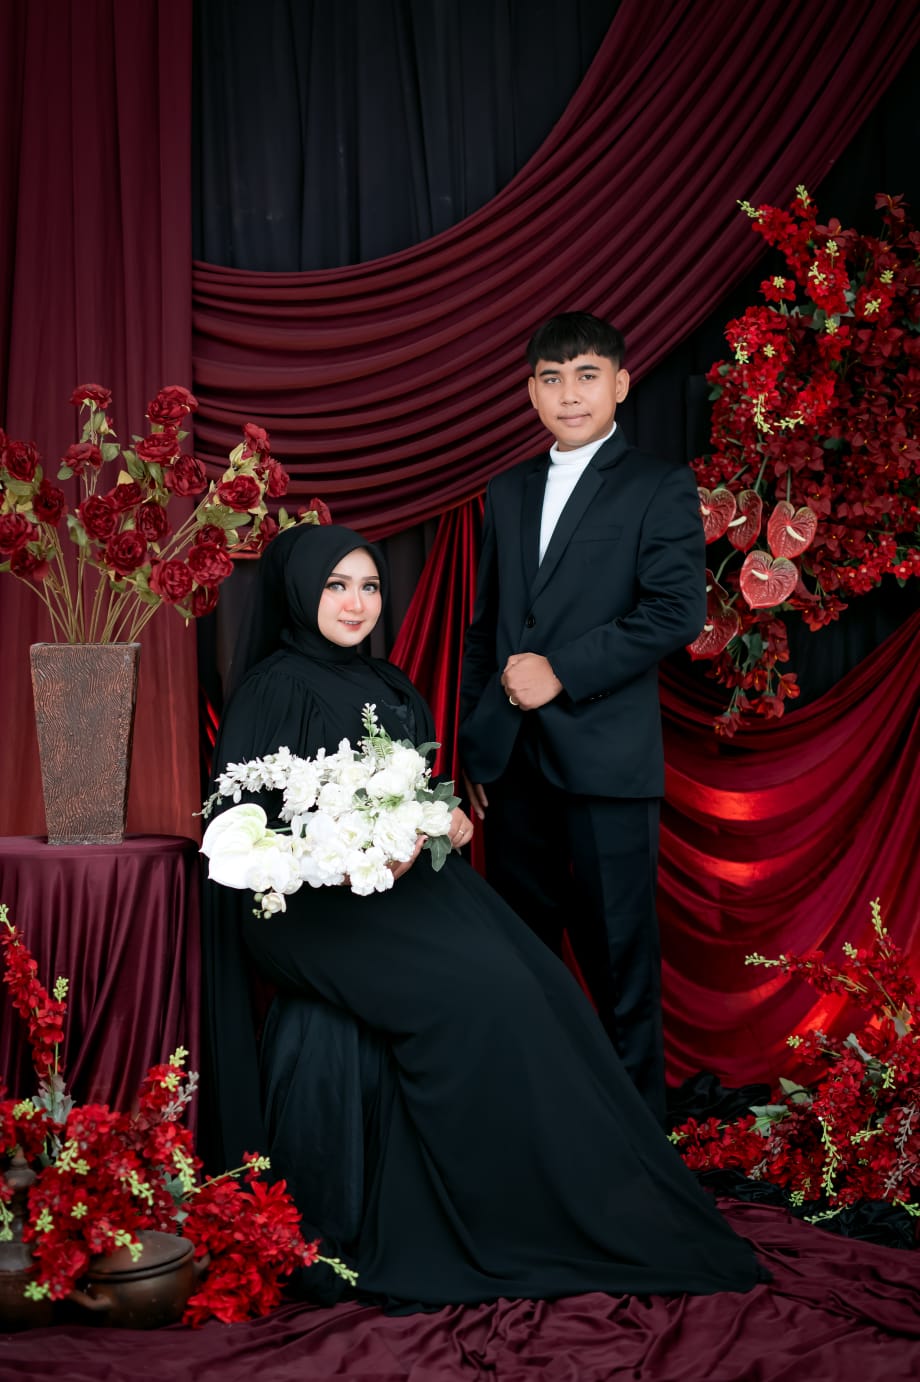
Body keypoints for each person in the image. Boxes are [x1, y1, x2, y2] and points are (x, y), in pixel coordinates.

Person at [200, 521, 763, 1311]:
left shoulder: (390, 684)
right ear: (299, 592)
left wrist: (442, 822)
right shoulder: (275, 688)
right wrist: (339, 854)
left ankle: (571, 1206)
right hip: (306, 910)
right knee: (480, 997)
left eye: (369, 586)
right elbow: (239, 837)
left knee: (540, 984)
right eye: (336, 586)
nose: (357, 604)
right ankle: (489, 1219)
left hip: (405, 893)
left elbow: (407, 802)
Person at [459, 312, 706, 1125]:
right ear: (531, 393)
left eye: (587, 375)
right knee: (522, 961)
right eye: (552, 379)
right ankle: (541, 1128)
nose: (570, 393)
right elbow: (487, 629)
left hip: (605, 764)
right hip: (511, 766)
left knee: (620, 962)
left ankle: (638, 1140)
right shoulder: (507, 491)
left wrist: (561, 670)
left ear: (621, 385)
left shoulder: (658, 486)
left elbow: (675, 612)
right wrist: (474, 750)